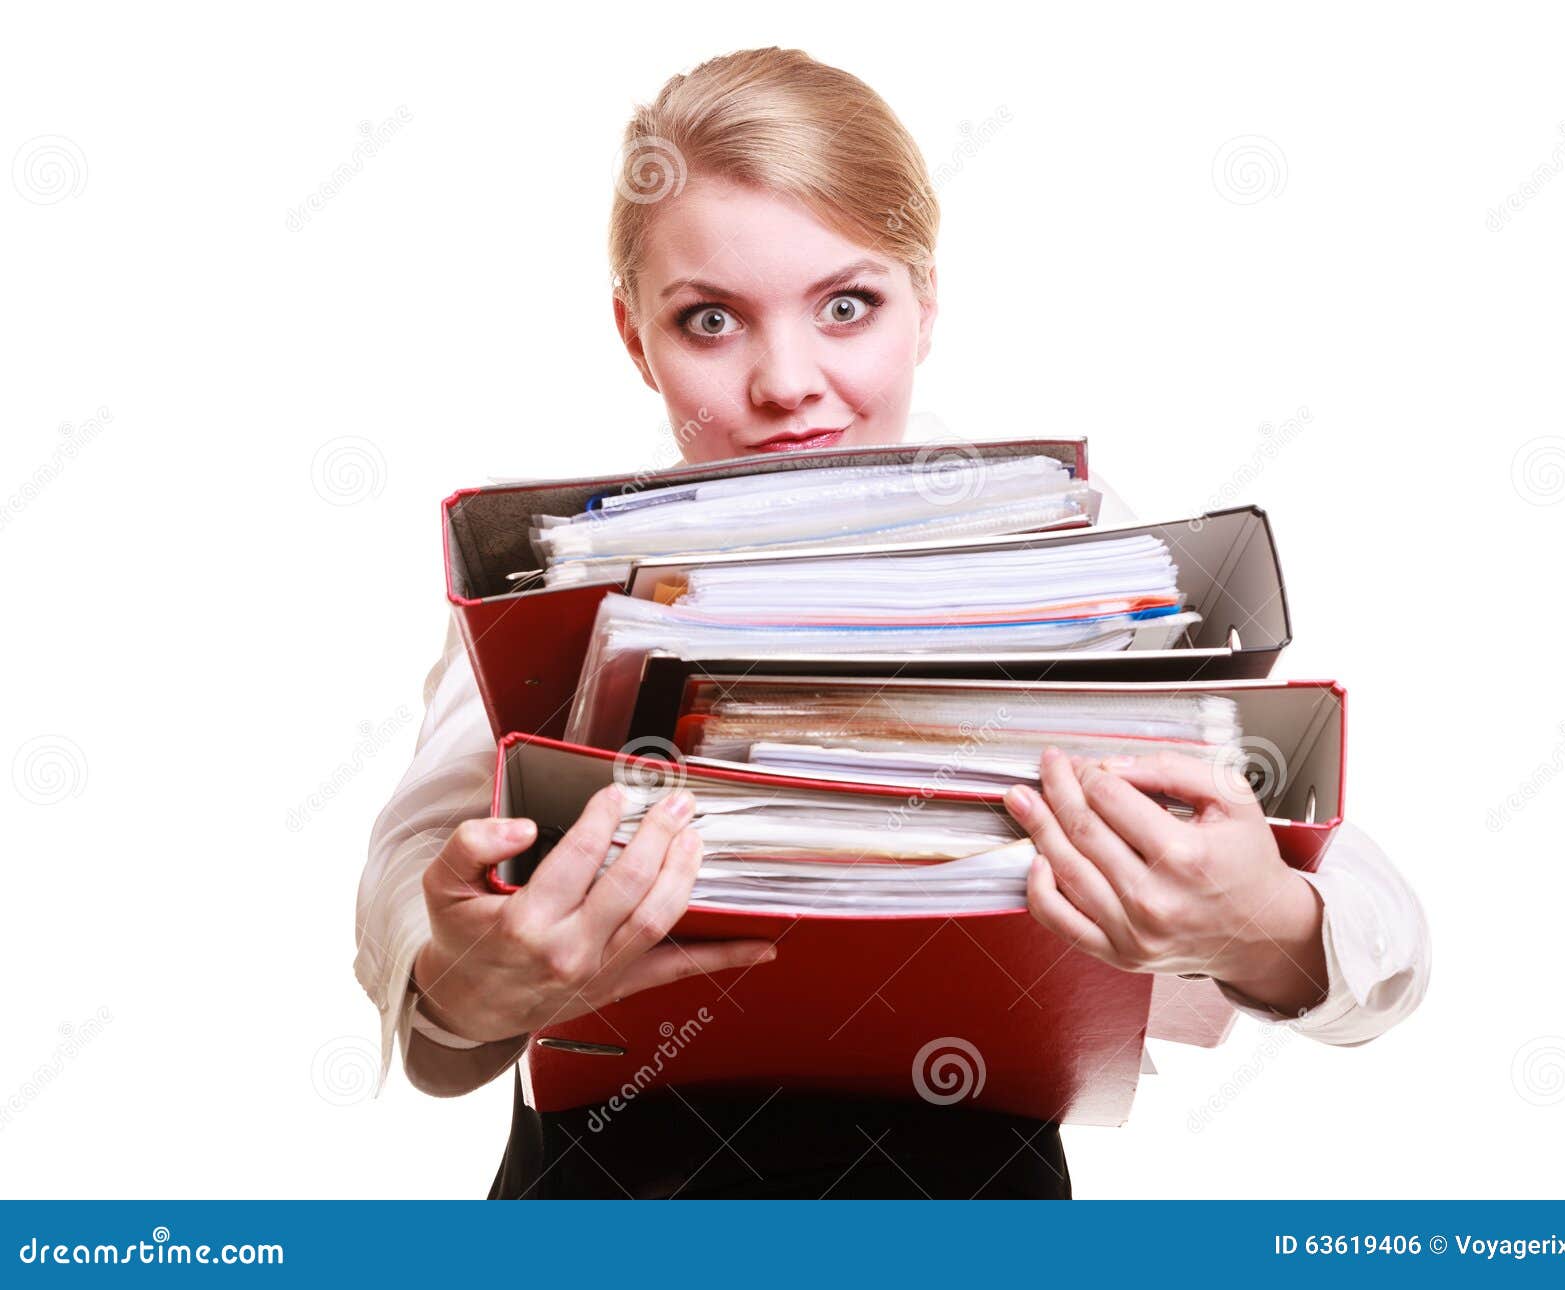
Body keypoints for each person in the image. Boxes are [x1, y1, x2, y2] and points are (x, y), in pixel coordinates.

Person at [353, 47, 1429, 1199]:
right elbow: (416, 942)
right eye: (709, 320)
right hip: (608, 1203)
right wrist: (463, 985)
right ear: (636, 340)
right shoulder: (572, 585)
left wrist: (1259, 923)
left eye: (846, 306)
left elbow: (1383, 944)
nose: (786, 381)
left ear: (925, 306)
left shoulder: (1078, 568)